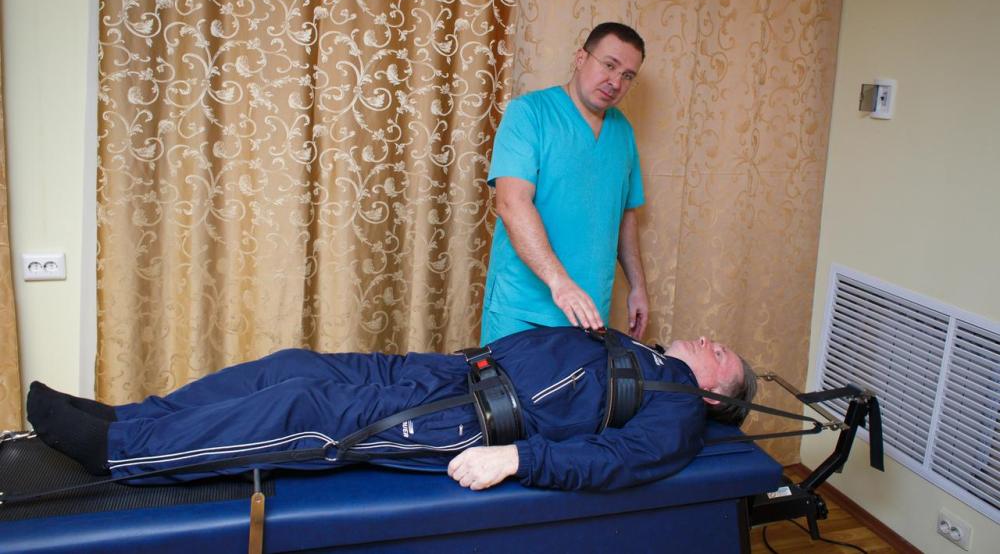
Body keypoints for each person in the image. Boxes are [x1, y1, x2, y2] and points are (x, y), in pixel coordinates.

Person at [26, 327, 755, 492]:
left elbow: (617, 462)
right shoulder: (645, 352)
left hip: (467, 419)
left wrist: (516, 458)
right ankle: (130, 418)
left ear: (717, 393)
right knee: (293, 365)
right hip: (450, 369)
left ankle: (117, 455)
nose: (709, 341)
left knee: (304, 411)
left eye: (722, 353)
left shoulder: (679, 414)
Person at [482, 23, 650, 344]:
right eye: (609, 65)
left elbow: (625, 215)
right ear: (580, 58)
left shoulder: (623, 132)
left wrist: (638, 287)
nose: (616, 82)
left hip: (588, 316)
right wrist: (560, 283)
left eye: (628, 75)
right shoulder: (528, 113)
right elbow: (511, 203)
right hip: (521, 309)